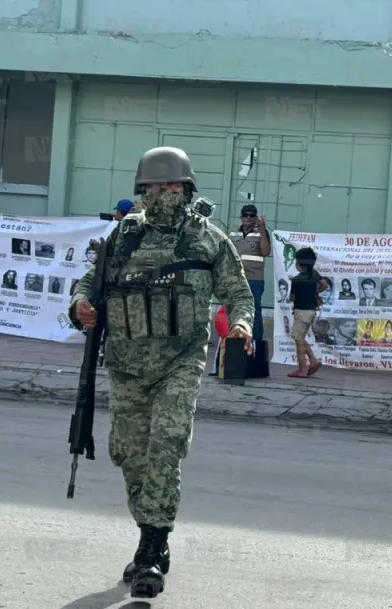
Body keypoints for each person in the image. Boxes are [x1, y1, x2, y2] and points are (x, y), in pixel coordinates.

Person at [69, 145, 255, 600]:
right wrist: (81, 307)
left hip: (181, 360)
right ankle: (149, 532)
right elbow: (88, 285)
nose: (165, 193)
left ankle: (153, 548)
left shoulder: (208, 239)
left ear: (188, 190)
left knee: (165, 448)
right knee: (129, 455)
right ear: (142, 191)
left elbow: (240, 295)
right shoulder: (124, 237)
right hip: (127, 364)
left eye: (173, 186)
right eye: (155, 186)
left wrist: (243, 325)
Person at [230, 204, 272, 364]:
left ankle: (256, 345)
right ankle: (236, 343)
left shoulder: (261, 233)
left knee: (255, 313)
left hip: (255, 279)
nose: (248, 218)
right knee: (234, 310)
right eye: (245, 215)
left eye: (251, 215)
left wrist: (262, 230)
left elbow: (266, 252)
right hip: (236, 279)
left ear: (255, 217)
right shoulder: (233, 233)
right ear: (241, 217)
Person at [286, 247, 330, 379]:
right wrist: (316, 291)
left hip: (301, 312)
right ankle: (313, 360)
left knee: (298, 340)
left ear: (298, 264)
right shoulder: (315, 275)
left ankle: (302, 369)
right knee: (300, 336)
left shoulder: (297, 280)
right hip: (312, 311)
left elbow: (291, 298)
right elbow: (325, 285)